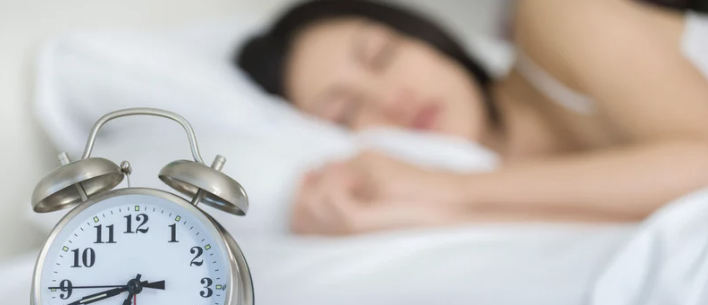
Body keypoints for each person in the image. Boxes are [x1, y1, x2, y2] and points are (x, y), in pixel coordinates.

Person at [237, 0, 708, 235]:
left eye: (381, 56)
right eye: (347, 111)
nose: (391, 99)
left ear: (422, 35)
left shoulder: (556, 13)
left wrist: (452, 191)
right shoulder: (509, 195)